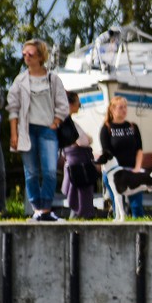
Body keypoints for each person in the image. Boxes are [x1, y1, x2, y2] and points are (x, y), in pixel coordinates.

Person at [6, 38, 69, 222]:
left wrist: (56, 122)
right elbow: (13, 108)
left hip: (47, 130)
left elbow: (62, 104)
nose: (26, 57)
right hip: (26, 130)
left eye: (30, 54)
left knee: (49, 171)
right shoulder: (20, 80)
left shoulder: (53, 79)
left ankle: (46, 208)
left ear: (41, 56)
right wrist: (14, 133)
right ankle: (37, 210)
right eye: (24, 54)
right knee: (31, 172)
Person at [100, 96, 144, 218]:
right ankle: (119, 223)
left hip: (131, 170)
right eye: (120, 108)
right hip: (115, 172)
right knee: (118, 203)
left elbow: (139, 149)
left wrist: (137, 168)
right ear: (112, 110)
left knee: (136, 204)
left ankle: (139, 226)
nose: (124, 110)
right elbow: (107, 152)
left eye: (125, 107)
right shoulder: (106, 128)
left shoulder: (132, 127)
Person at [61, 91, 96, 219]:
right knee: (80, 195)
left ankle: (79, 216)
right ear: (70, 104)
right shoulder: (66, 122)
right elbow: (82, 141)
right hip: (77, 164)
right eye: (77, 102)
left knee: (80, 194)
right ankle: (80, 217)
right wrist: (87, 138)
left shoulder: (69, 121)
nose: (79, 105)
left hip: (78, 162)